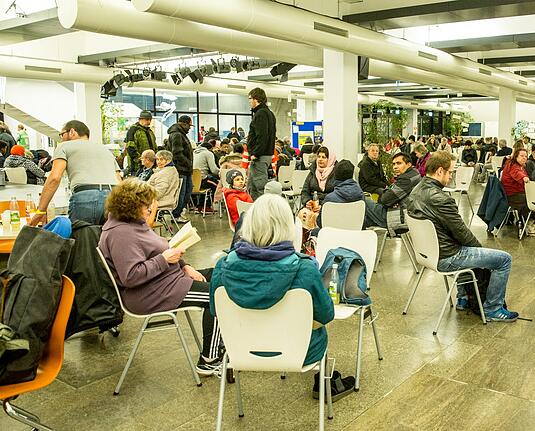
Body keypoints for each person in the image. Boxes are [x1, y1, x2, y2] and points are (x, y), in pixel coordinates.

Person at [211, 194, 356, 397]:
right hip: (301, 351)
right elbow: (326, 315)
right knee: (318, 328)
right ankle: (324, 385)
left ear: (248, 224)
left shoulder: (222, 266)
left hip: (240, 350)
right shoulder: (305, 268)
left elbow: (216, 312)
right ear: (288, 226)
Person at [98, 179, 221, 374]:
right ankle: (210, 359)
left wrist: (184, 266)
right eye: (147, 206)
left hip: (166, 282)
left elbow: (158, 250)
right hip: (151, 293)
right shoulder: (121, 234)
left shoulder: (131, 224)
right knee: (219, 297)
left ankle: (222, 342)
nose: (150, 211)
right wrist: (165, 259)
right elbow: (131, 276)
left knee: (221, 275)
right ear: (133, 205)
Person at [407, 151, 519, 322]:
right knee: (503, 260)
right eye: (450, 172)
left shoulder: (415, 191)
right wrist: (482, 255)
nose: (451, 176)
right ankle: (493, 308)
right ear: (439, 171)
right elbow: (463, 234)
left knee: (465, 248)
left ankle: (464, 298)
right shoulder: (441, 198)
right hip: (447, 257)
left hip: (426, 255)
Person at [30, 120, 121, 227]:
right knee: (108, 240)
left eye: (62, 134)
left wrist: (41, 211)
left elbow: (54, 178)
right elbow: (119, 181)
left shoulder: (64, 146)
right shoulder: (105, 150)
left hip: (86, 198)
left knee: (82, 240)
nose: (61, 138)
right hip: (114, 198)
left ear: (72, 132)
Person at [363, 153, 420, 229]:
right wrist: (392, 199)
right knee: (364, 218)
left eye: (399, 163)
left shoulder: (406, 179)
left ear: (409, 164)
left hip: (395, 216)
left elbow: (385, 199)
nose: (395, 167)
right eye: (394, 164)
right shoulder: (415, 173)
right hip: (400, 213)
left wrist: (390, 199)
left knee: (362, 199)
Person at [246, 87, 277, 199]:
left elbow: (262, 136)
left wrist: (255, 153)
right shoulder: (269, 113)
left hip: (260, 156)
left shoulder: (260, 114)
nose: (249, 101)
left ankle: (262, 213)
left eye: (250, 99)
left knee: (259, 188)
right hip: (265, 155)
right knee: (253, 186)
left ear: (256, 99)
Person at [168, 116, 194, 223]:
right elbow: (177, 153)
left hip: (185, 170)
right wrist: (188, 164)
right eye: (189, 126)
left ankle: (177, 213)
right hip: (180, 170)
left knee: (188, 191)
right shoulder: (177, 135)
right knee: (181, 193)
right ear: (184, 124)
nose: (189, 128)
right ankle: (176, 214)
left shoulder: (180, 134)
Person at [500, 148, 530, 225]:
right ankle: (526, 223)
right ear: (516, 157)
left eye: (526, 156)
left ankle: (525, 221)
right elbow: (518, 174)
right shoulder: (513, 166)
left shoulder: (519, 166)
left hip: (515, 193)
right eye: (522, 156)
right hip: (512, 195)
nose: (524, 158)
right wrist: (524, 178)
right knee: (532, 200)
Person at [124, 110, 157, 176]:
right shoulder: (133, 131)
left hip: (150, 166)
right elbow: (130, 148)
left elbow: (154, 147)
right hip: (137, 167)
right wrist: (140, 161)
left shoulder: (150, 132)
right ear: (140, 119)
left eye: (150, 120)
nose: (149, 122)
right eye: (147, 119)